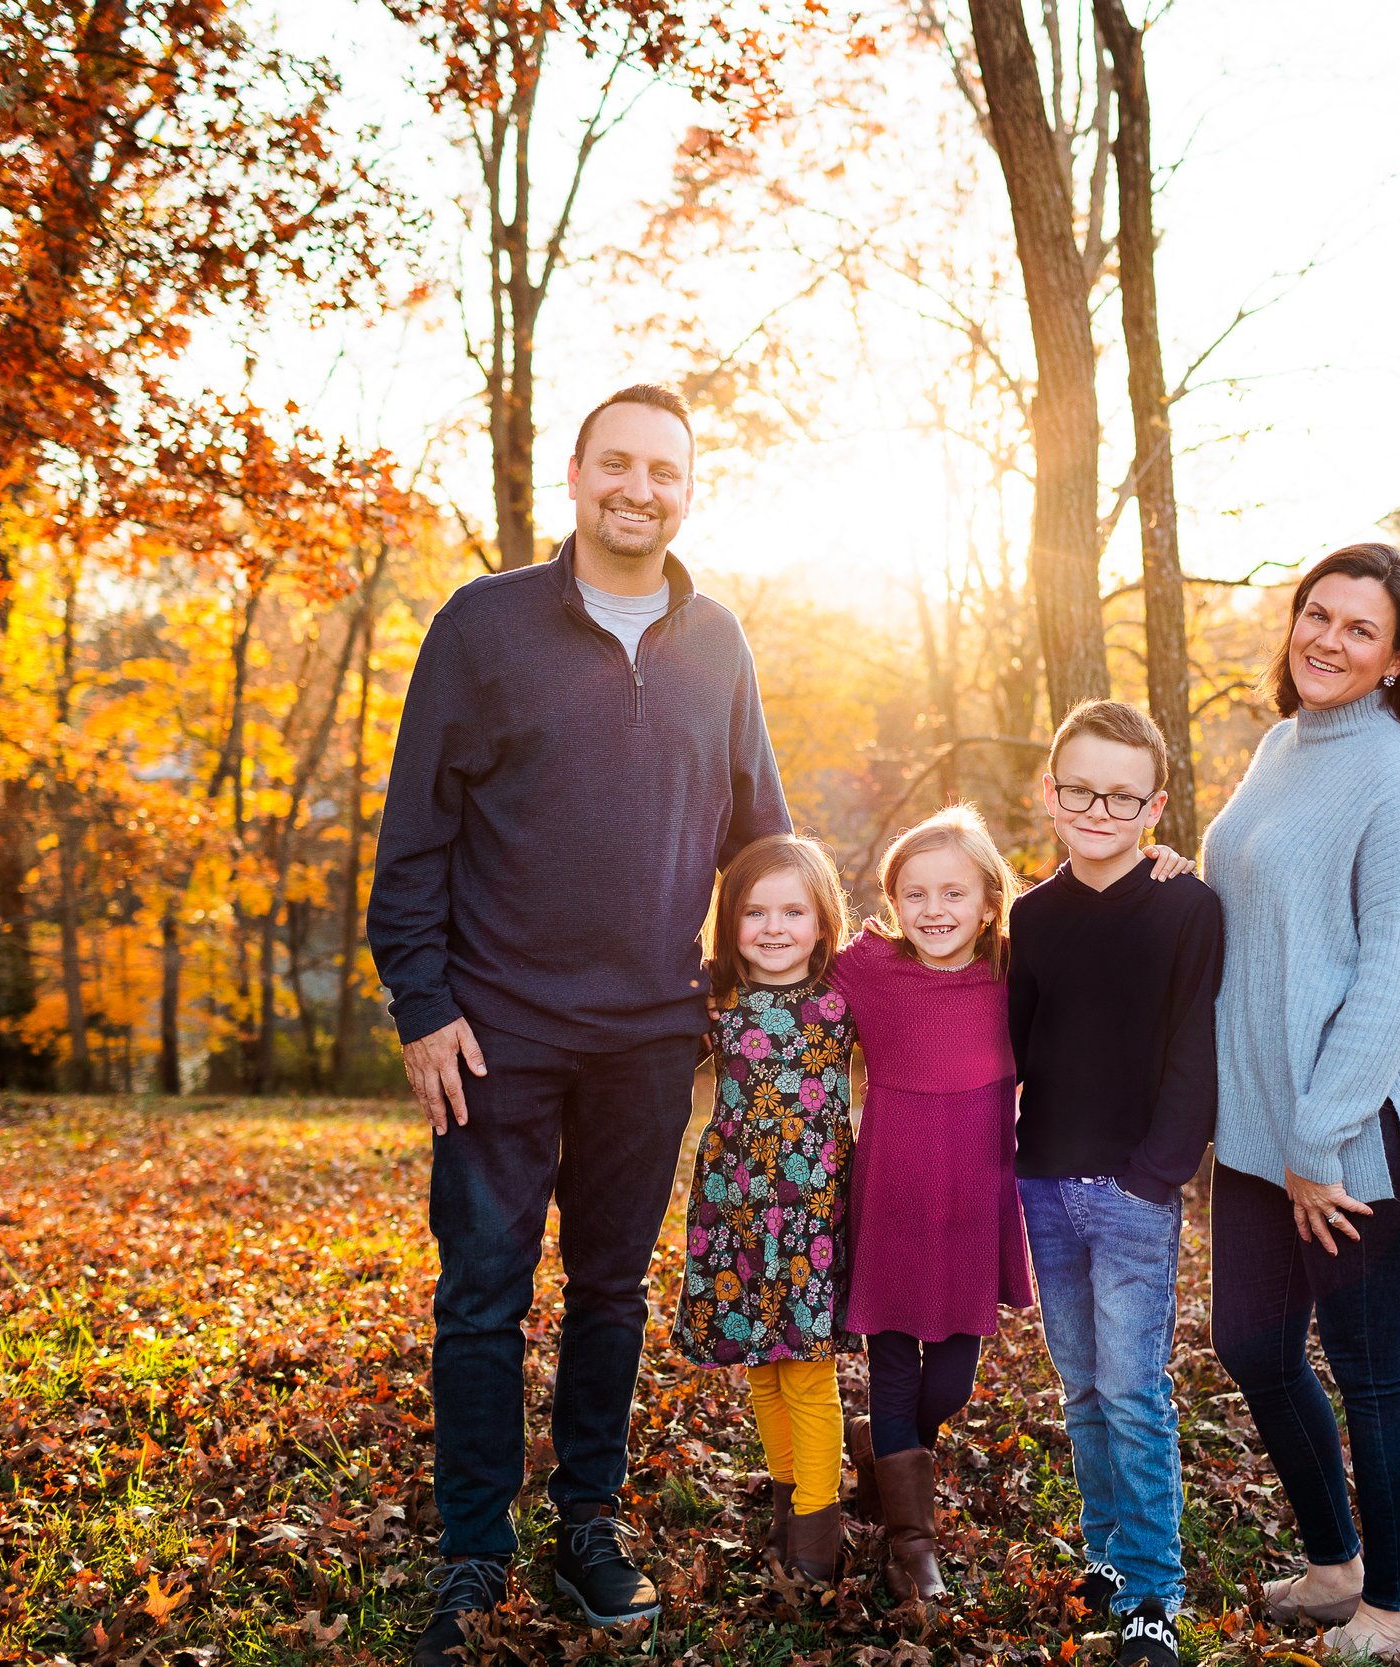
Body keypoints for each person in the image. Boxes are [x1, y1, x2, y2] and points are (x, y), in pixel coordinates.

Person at [365, 384, 789, 1660]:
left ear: (687, 490)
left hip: (651, 1036)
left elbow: (760, 835)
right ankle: (473, 1551)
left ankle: (588, 1521)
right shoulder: (484, 626)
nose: (639, 488)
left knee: (611, 1292)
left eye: (664, 469)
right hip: (496, 1034)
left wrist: (776, 992)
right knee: (482, 1292)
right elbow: (413, 830)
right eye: (618, 462)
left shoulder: (718, 641)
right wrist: (422, 1004)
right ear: (576, 474)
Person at [1198, 543, 1400, 1659]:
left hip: (1356, 1130)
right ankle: (1333, 1562)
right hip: (1265, 1128)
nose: (1327, 638)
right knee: (1251, 1346)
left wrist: (1322, 1137)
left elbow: (1397, 969)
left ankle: (1394, 1608)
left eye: (1358, 629)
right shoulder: (1280, 745)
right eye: (1316, 614)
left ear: (1398, 656)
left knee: (1371, 1368)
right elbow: (1256, 902)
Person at [1008, 700, 1222, 1667]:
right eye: (1082, 790)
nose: (1100, 809)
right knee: (1082, 1384)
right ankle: (1104, 1553)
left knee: (1135, 1389)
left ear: (1155, 803)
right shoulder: (1029, 917)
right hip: (1044, 1181)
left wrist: (1155, 1175)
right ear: (1051, 796)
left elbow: (1193, 1054)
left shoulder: (1187, 907)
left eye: (1122, 795)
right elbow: (1014, 1046)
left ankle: (1150, 1593)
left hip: (1135, 1191)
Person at [832, 806, 1032, 1603]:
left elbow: (1102, 925)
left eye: (954, 891)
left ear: (989, 901)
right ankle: (910, 1542)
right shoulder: (869, 968)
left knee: (950, 1376)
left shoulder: (1014, 968)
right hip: (891, 1194)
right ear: (892, 902)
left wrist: (1160, 864)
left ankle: (882, 1448)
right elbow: (786, 962)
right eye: (914, 892)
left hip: (975, 1194)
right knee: (890, 1360)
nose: (934, 909)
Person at [672, 836, 859, 1589]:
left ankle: (818, 1532)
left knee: (808, 1371)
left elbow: (947, 960)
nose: (773, 927)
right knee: (761, 1364)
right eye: (754, 911)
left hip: (812, 1214)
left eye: (793, 910)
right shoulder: (712, 999)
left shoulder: (842, 996)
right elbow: (640, 1058)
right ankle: (785, 1509)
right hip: (737, 1208)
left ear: (822, 922)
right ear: (729, 920)